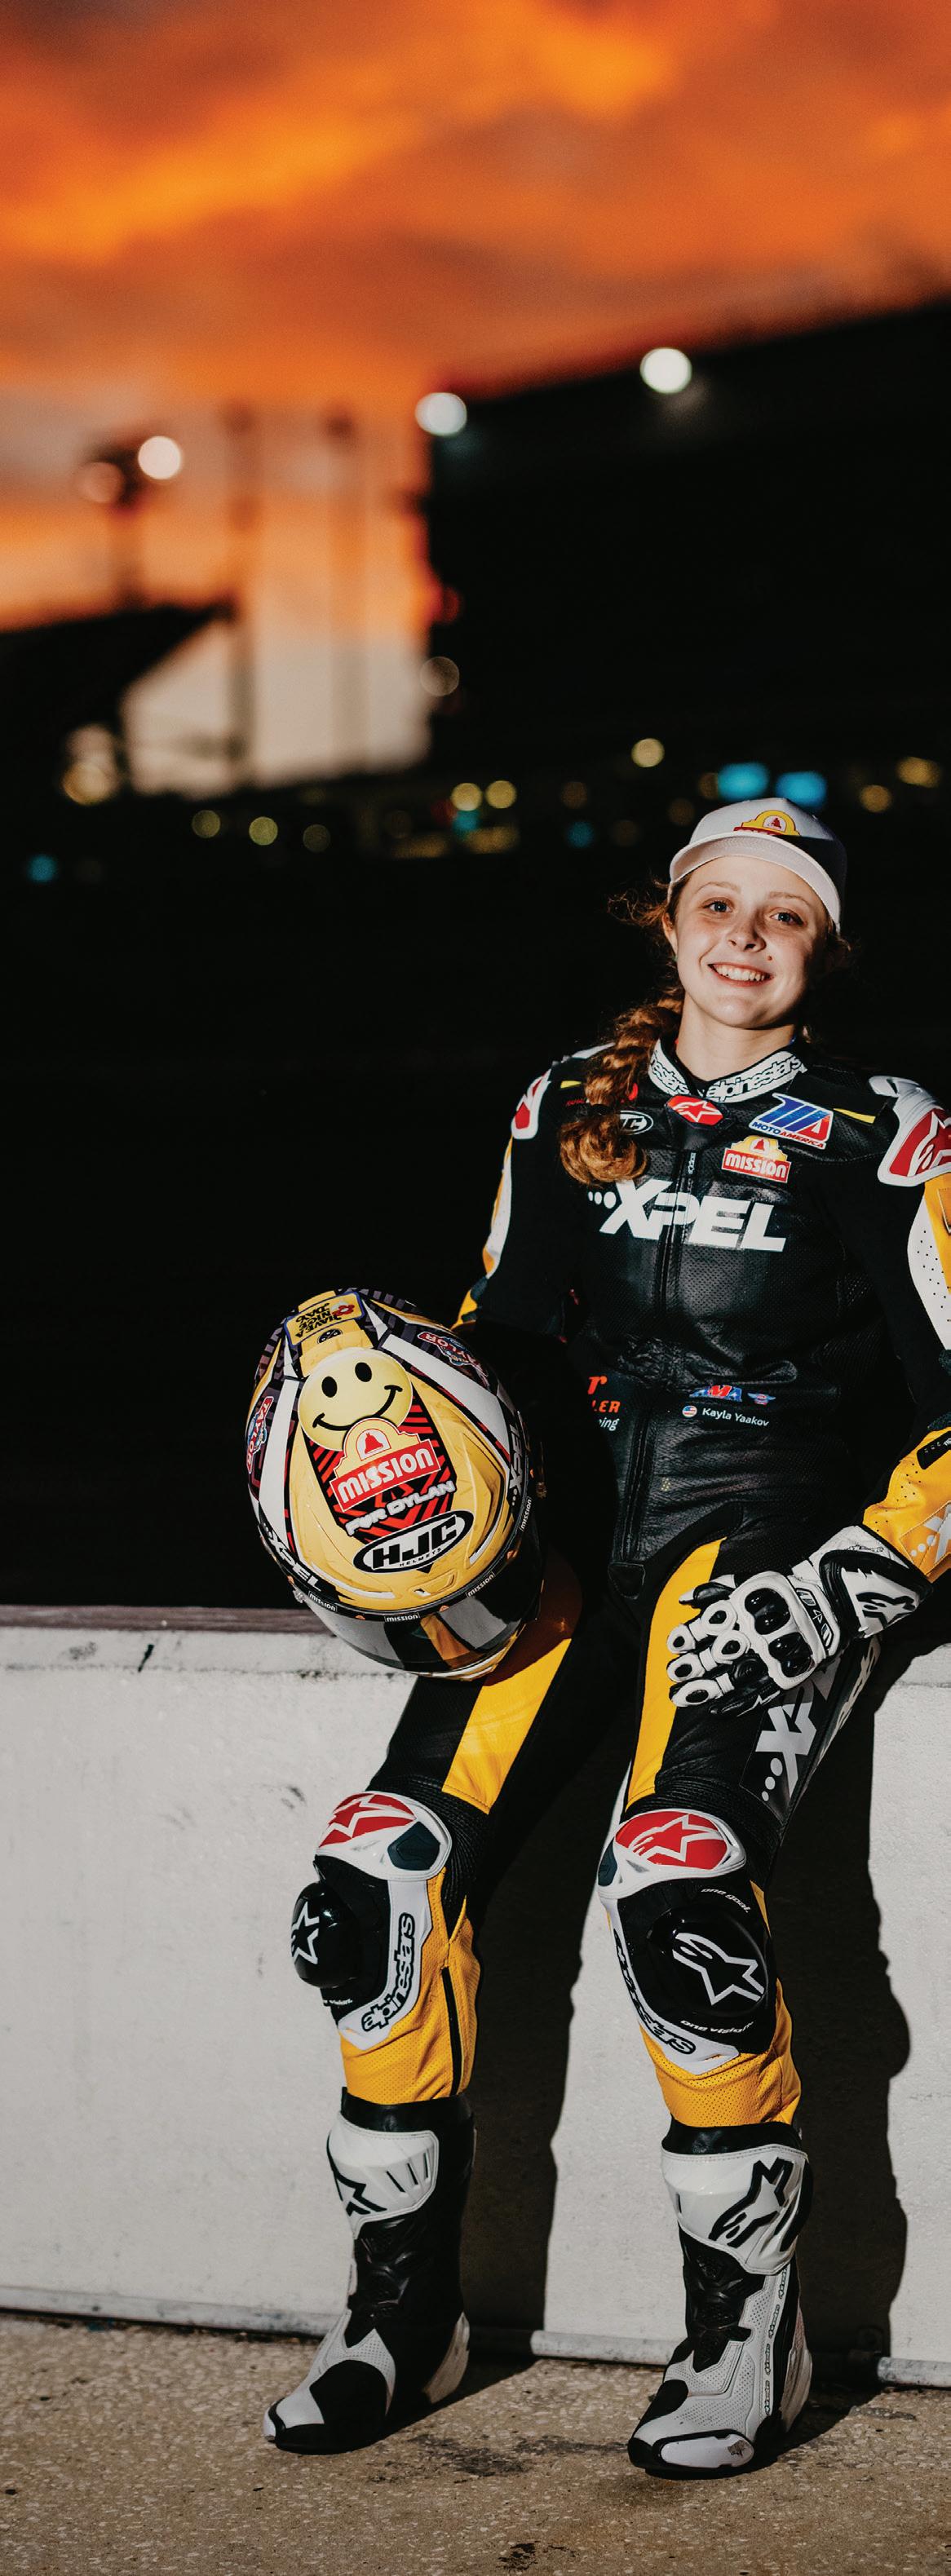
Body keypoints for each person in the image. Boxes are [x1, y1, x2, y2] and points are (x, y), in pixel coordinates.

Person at [265, 797, 951, 2475]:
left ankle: (746, 2333)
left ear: (824, 950)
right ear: (668, 920)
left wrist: (863, 1572)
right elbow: (491, 1342)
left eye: (783, 916)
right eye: (717, 904)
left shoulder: (891, 1131)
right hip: (560, 1559)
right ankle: (394, 2318)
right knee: (374, 1877)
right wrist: (400, 1519)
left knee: (675, 1877)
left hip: (762, 1551)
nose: (743, 938)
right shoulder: (566, 1099)